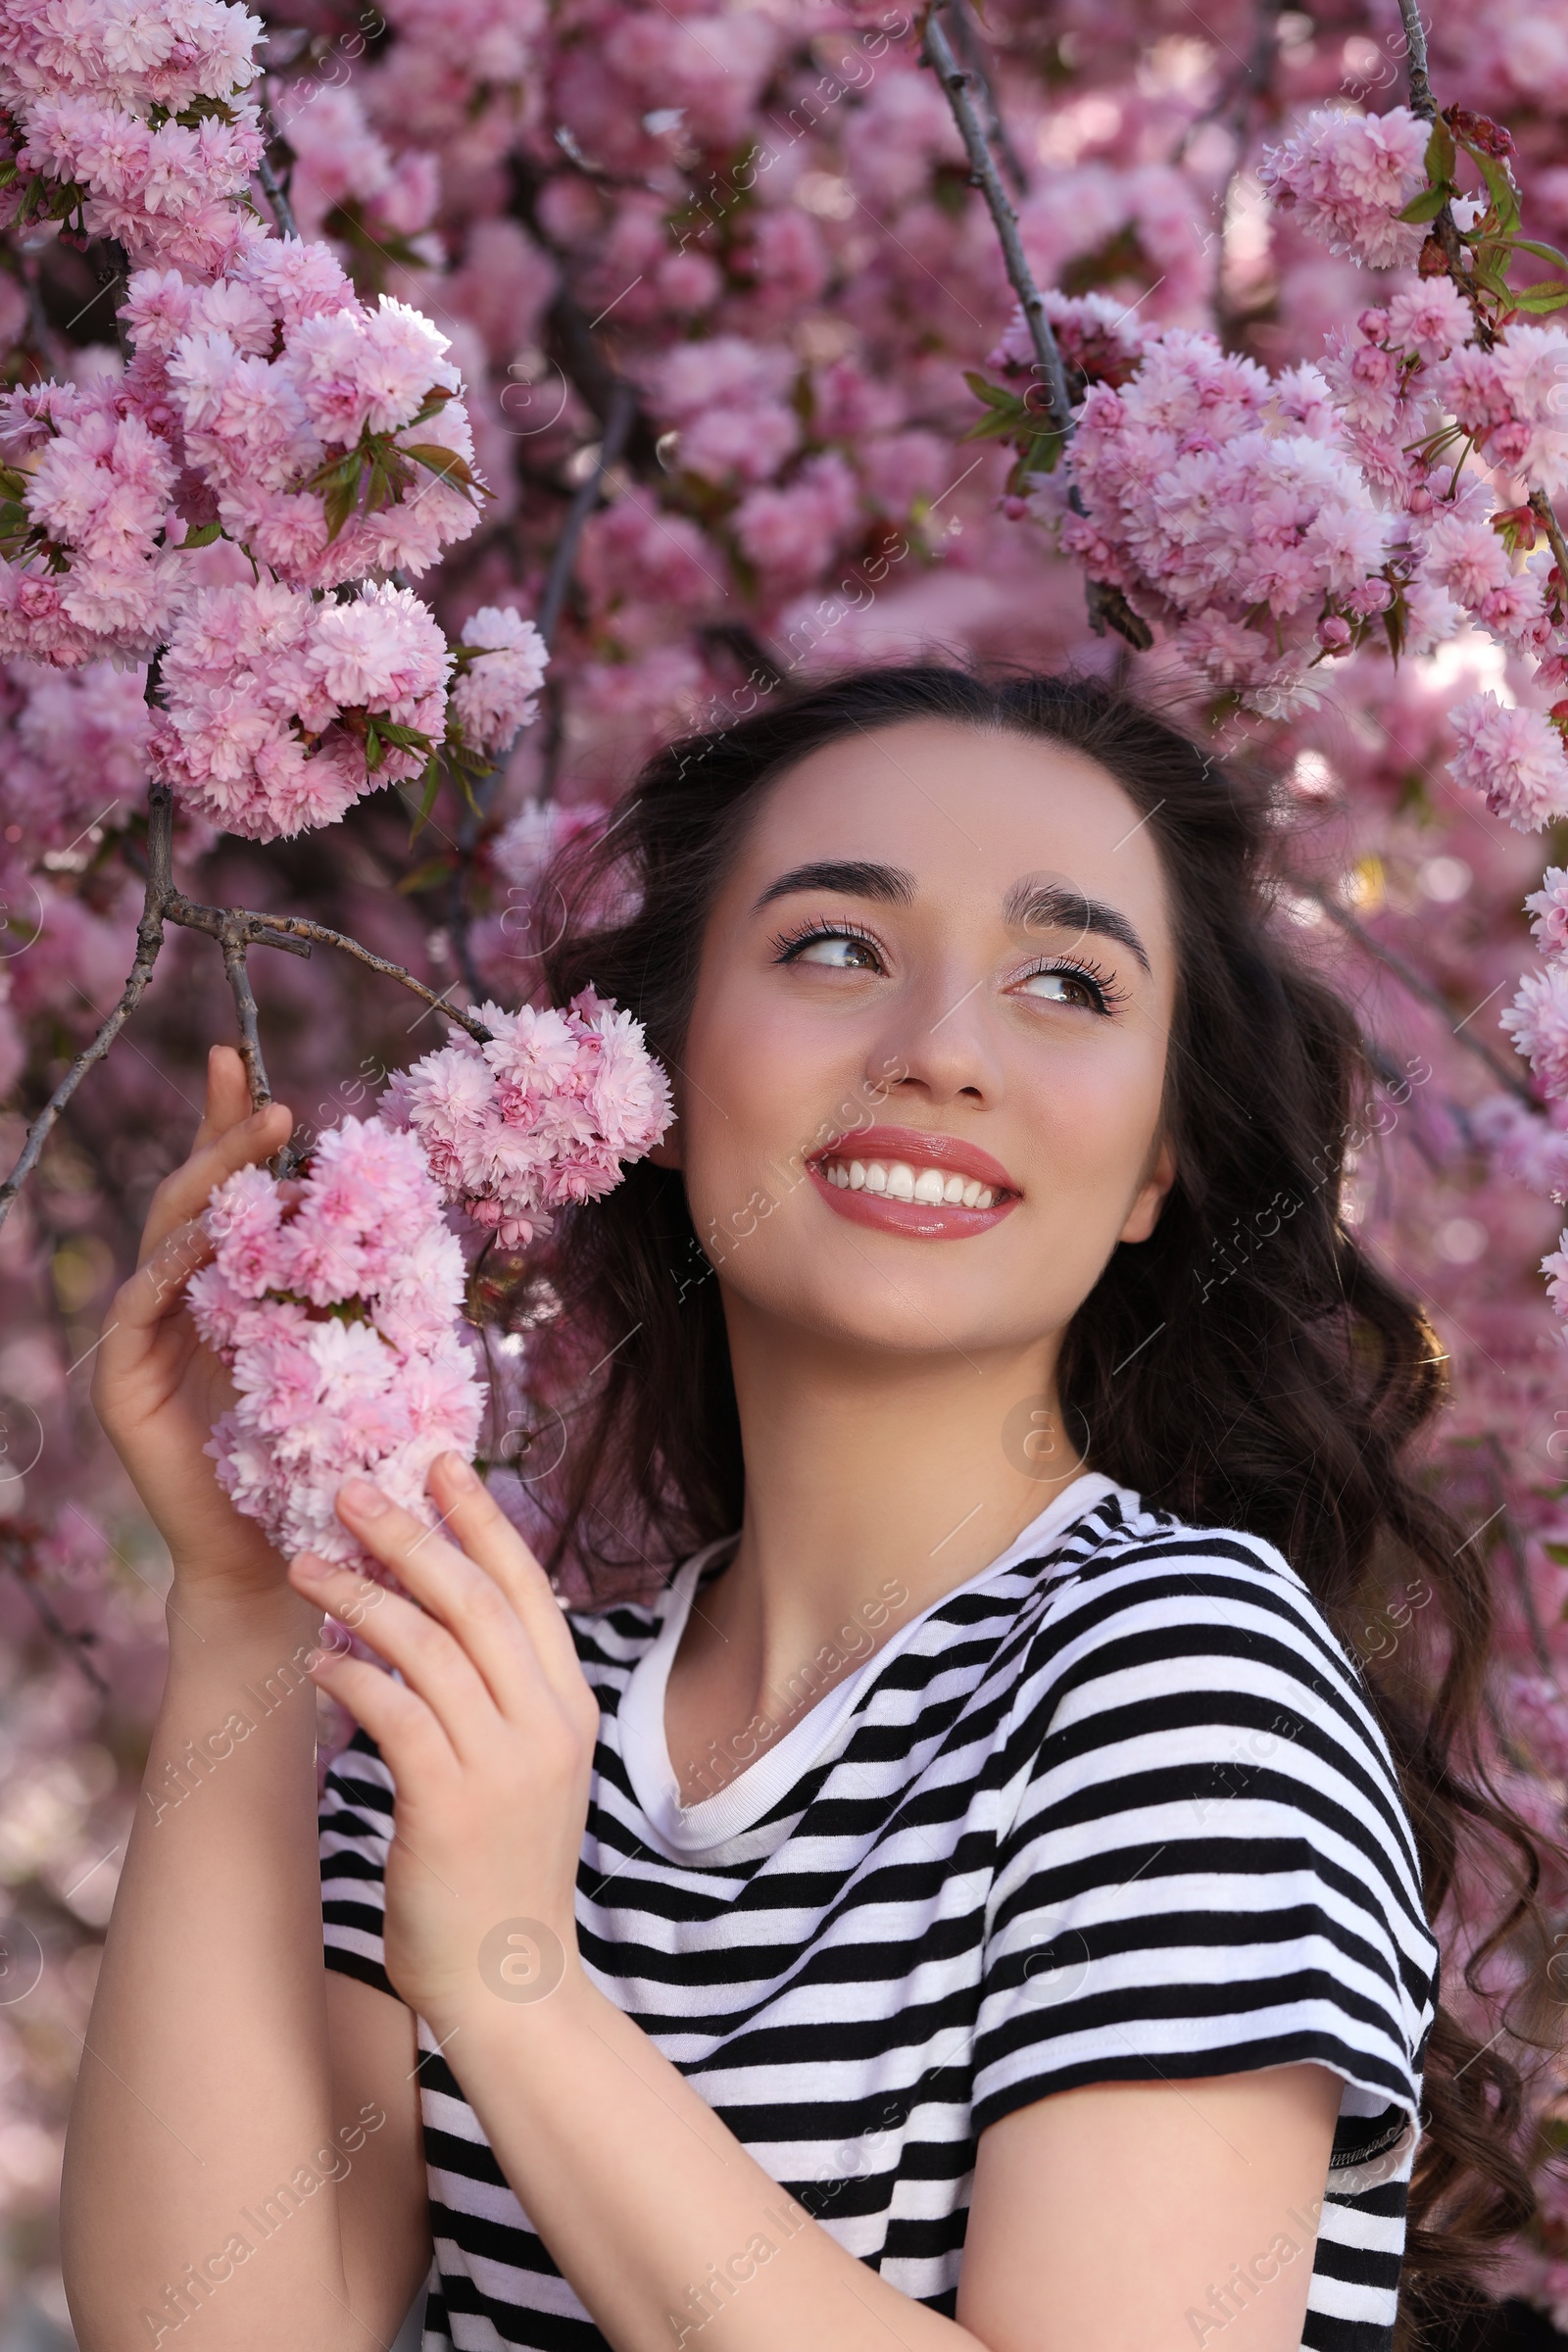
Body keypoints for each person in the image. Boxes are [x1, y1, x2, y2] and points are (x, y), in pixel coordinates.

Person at [64, 666, 1546, 2352]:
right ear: (662, 1070)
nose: (940, 1055)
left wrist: (509, 1977)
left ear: (1155, 1168)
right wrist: (239, 1600)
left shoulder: (1175, 1680)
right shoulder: (515, 1719)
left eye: (1068, 983)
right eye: (835, 947)